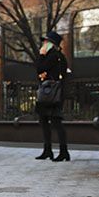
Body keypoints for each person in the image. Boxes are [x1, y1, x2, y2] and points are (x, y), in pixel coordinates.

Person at [35, 31, 69, 162]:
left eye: (46, 41)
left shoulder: (54, 56)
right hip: (49, 93)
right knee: (44, 121)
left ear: (52, 44)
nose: (43, 44)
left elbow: (40, 68)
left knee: (55, 122)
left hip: (52, 94)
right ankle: (48, 150)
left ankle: (63, 151)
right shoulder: (57, 56)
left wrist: (42, 56)